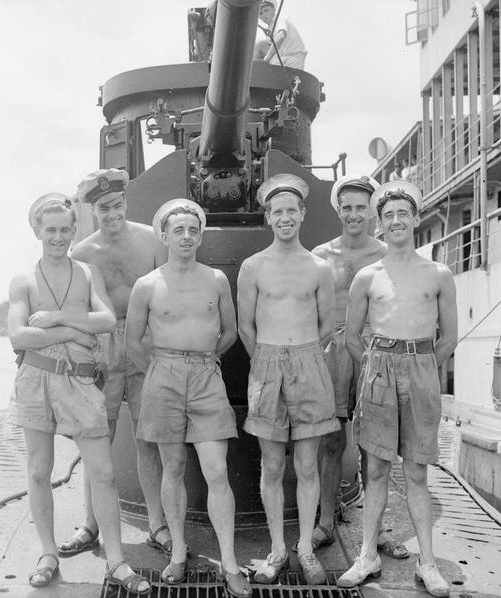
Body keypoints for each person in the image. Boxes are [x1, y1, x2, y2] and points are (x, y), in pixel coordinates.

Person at [7, 193, 149, 594]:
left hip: (81, 381)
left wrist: (58, 318)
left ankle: (117, 561)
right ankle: (48, 553)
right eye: (49, 229)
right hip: (36, 379)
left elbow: (105, 320)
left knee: (103, 472)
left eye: (64, 229)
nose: (57, 237)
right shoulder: (22, 279)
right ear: (36, 230)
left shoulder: (86, 273)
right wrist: (72, 331)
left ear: (74, 231)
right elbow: (18, 334)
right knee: (38, 470)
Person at [336, 181, 457, 597]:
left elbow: (449, 338)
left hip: (421, 366)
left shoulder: (438, 274)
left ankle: (427, 562)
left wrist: (420, 369)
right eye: (387, 216)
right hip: (378, 369)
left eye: (403, 213)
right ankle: (367, 554)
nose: (395, 221)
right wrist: (375, 369)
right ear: (380, 224)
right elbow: (352, 337)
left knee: (418, 471)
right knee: (376, 469)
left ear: (416, 219)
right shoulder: (367, 277)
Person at [126, 198, 250, 598]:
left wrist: (205, 362)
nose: (185, 236)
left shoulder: (215, 279)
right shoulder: (147, 285)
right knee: (173, 466)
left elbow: (229, 331)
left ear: (200, 235)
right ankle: (177, 551)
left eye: (193, 230)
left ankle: (229, 561)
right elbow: (132, 341)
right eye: (177, 230)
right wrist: (162, 372)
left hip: (205, 376)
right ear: (164, 235)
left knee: (216, 470)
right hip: (162, 373)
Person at [63, 169, 172, 560]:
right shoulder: (82, 253)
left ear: (126, 201)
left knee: (149, 440)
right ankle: (90, 524)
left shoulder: (152, 241)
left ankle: (157, 524)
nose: (112, 213)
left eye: (117, 205)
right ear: (92, 210)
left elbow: (169, 295)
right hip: (100, 349)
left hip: (146, 344)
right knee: (97, 440)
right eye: (103, 208)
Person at [236, 174, 338, 585]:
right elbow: (245, 327)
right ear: (268, 217)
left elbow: (327, 326)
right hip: (266, 363)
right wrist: (266, 365)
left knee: (307, 463)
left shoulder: (320, 268)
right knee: (273, 464)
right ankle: (278, 549)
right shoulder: (253, 267)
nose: (284, 217)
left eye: (291, 210)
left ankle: (306, 550)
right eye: (277, 211)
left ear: (303, 214)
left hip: (310, 362)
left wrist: (301, 359)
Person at [311, 176, 409, 559]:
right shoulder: (321, 254)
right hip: (333, 351)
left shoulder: (387, 254)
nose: (354, 214)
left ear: (373, 211)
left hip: (374, 350)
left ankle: (378, 529)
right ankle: (324, 523)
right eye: (347, 207)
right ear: (338, 210)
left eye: (361, 207)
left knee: (375, 445)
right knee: (331, 440)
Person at [255, 0, 307, 70]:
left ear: (274, 9)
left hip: (293, 59)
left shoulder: (279, 19)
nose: (264, 15)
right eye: (260, 13)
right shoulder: (270, 29)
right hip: (283, 61)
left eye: (266, 10)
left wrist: (266, 59)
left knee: (260, 48)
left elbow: (281, 36)